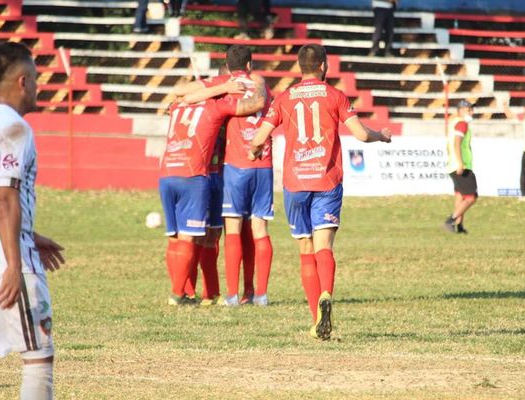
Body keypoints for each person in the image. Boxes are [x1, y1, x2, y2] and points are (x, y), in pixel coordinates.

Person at [249, 44, 392, 340]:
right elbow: (362, 134)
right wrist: (380, 137)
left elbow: (259, 137)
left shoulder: (285, 98)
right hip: (326, 181)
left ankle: (316, 317)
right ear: (324, 66)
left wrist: (254, 151)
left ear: (300, 67)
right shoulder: (335, 95)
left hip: (295, 183)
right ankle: (327, 293)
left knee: (305, 249)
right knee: (324, 246)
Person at [0, 42, 66, 399]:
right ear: (22, 81)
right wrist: (15, 263)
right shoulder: (16, 128)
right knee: (38, 357)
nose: (39, 86)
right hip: (6, 260)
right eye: (36, 78)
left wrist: (30, 231)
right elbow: (4, 194)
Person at [161, 70, 266, 307]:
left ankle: (197, 292)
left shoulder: (178, 106)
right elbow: (255, 104)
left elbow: (180, 92)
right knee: (205, 236)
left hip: (169, 171)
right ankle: (188, 293)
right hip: (206, 174)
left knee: (180, 236)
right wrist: (250, 85)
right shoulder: (220, 105)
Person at [201, 45, 273, 307]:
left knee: (232, 229)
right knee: (259, 229)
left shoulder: (227, 85)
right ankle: (259, 295)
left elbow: (196, 99)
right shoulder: (262, 86)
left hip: (235, 165)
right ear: (250, 65)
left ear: (228, 66)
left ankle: (231, 295)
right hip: (263, 165)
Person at [444, 100, 477, 234]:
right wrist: (460, 163)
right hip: (461, 165)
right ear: (461, 110)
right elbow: (457, 143)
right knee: (471, 197)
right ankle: (451, 220)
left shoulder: (454, 123)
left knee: (460, 195)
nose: (471, 112)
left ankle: (459, 226)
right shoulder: (462, 124)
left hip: (452, 164)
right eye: (469, 110)